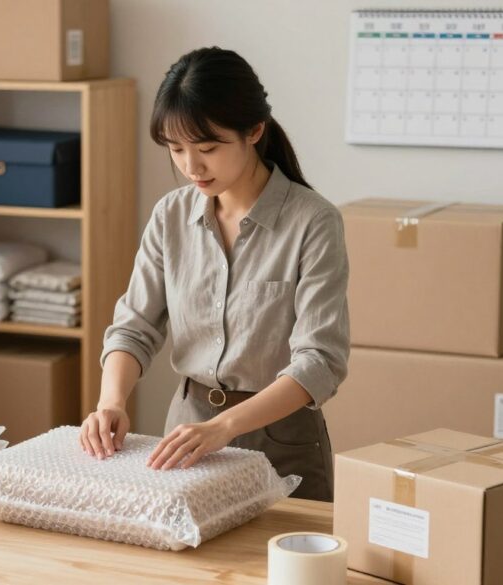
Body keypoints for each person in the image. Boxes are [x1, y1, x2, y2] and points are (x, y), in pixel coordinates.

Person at [78, 47, 350, 502]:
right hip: (186, 436)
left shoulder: (313, 221)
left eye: (207, 148)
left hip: (281, 442)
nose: (190, 166)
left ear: (254, 132)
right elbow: (134, 327)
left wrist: (223, 427)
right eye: (176, 149)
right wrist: (111, 402)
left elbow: (320, 361)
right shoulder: (170, 216)